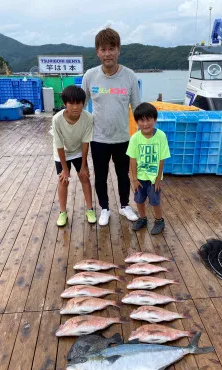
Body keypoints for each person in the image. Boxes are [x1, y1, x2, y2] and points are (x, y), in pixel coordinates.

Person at [82, 27, 141, 226]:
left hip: (123, 137)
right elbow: (79, 105)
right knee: (100, 175)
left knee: (123, 175)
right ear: (97, 52)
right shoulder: (90, 76)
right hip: (98, 138)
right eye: (103, 49)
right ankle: (104, 208)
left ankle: (125, 206)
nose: (108, 53)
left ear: (119, 50)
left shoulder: (130, 76)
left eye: (112, 48)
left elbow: (138, 108)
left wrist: (143, 136)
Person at [52, 85, 96, 227]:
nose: (75, 107)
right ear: (65, 104)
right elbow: (59, 145)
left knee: (84, 177)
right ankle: (63, 212)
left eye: (79, 103)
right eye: (71, 103)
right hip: (62, 152)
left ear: (84, 103)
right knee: (63, 180)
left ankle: (90, 209)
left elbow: (85, 142)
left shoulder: (88, 118)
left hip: (78, 150)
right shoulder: (57, 119)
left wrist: (83, 166)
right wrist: (65, 169)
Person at [126, 102, 170, 235]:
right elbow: (132, 160)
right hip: (139, 177)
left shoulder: (161, 136)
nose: (145, 124)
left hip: (153, 178)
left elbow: (162, 158)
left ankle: (159, 220)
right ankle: (142, 218)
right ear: (136, 121)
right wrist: (134, 179)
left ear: (155, 119)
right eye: (141, 120)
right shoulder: (134, 138)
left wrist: (158, 179)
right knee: (139, 200)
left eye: (148, 119)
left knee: (155, 201)